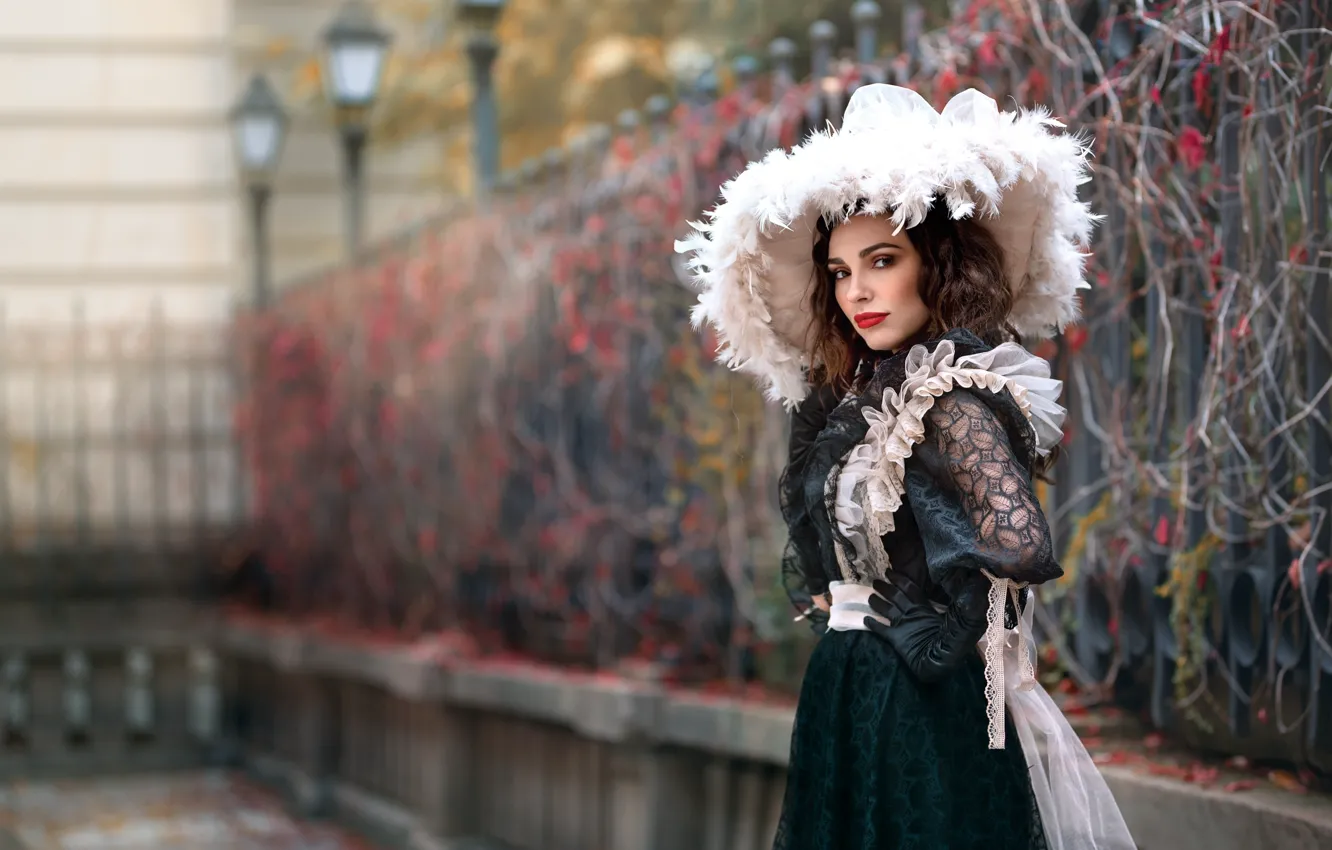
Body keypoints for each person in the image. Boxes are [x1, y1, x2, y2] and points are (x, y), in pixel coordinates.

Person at [677, 86, 1135, 850]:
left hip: (920, 701)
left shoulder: (949, 397)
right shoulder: (852, 402)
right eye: (840, 270)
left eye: (882, 261)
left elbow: (1021, 543)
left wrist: (939, 631)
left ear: (936, 263)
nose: (857, 290)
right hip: (850, 687)